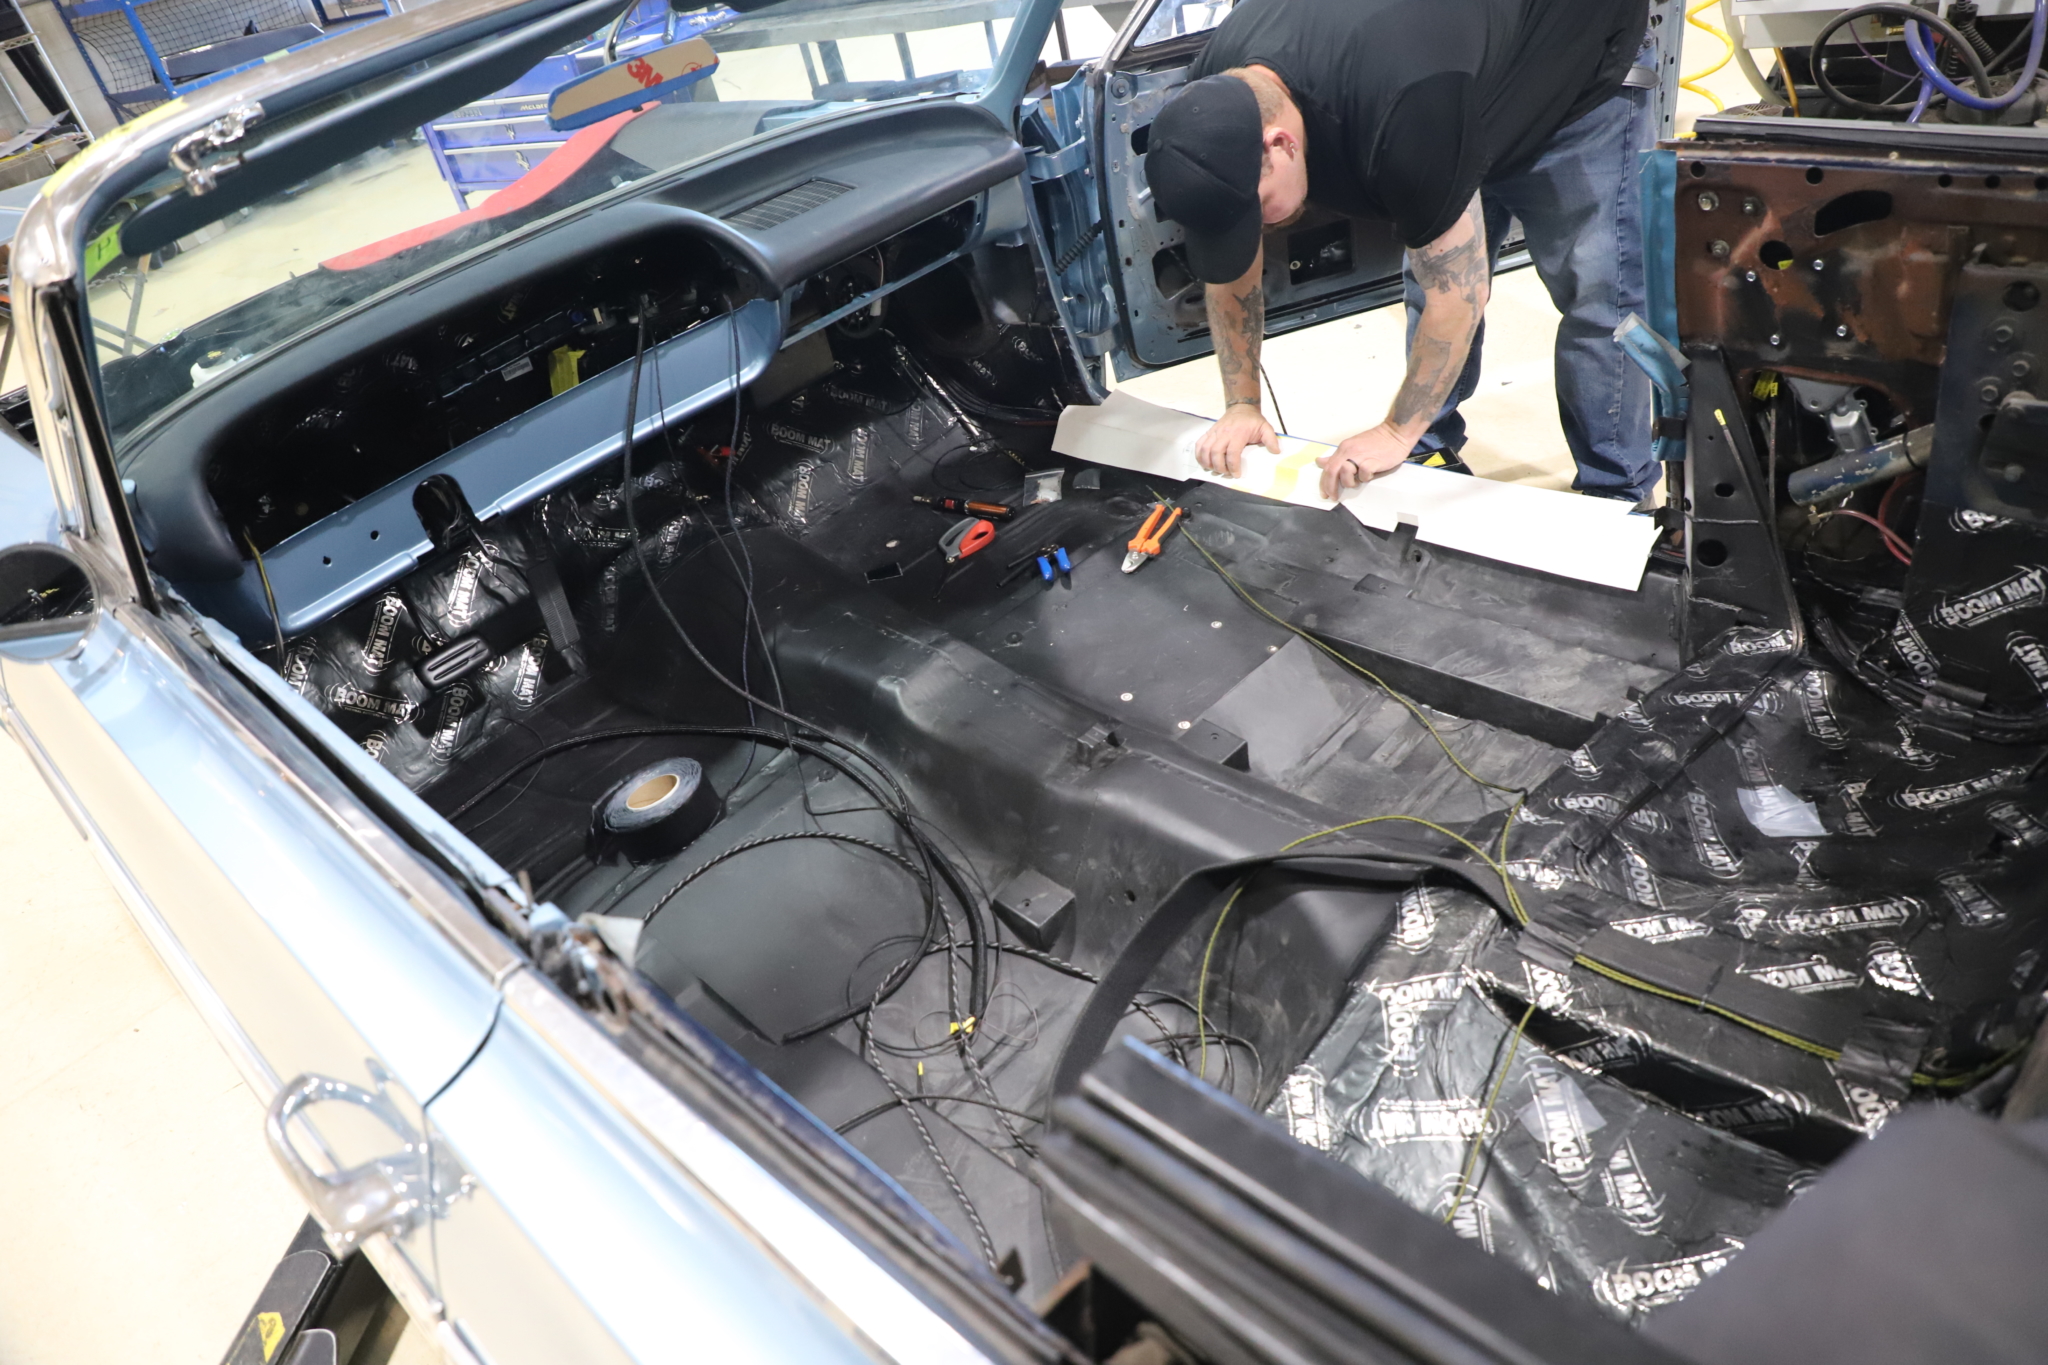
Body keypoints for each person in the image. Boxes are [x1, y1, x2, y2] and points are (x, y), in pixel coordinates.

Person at [1145, 0, 1657, 503]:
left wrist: (1394, 430)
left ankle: (1616, 491)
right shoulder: (1216, 97)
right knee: (1430, 270)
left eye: (1257, 210)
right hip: (1453, 72)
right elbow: (1232, 272)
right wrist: (1241, 405)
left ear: (1280, 144)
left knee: (1598, 293)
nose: (1257, 230)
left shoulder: (1405, 109)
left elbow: (1458, 296)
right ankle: (1428, 444)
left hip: (1570, 58)